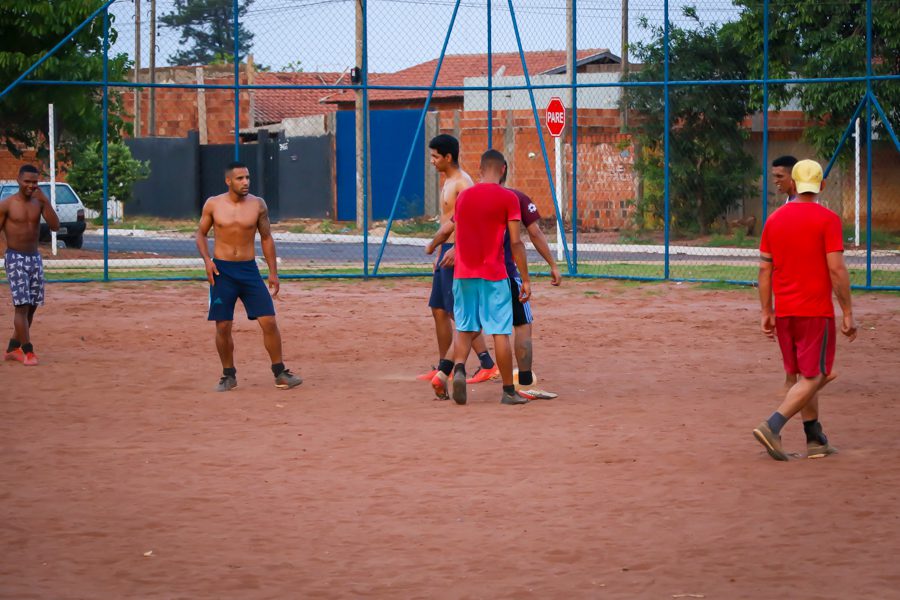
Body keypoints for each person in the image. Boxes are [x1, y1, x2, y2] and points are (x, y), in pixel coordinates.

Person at [754, 159, 856, 461]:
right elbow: (836, 270)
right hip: (815, 313)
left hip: (785, 312)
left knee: (802, 375)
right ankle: (772, 425)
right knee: (816, 376)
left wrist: (766, 311)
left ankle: (815, 438)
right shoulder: (828, 219)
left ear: (795, 185)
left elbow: (764, 269)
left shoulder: (774, 219)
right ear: (821, 186)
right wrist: (848, 312)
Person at [428, 149, 531, 406]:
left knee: (464, 328)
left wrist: (433, 246)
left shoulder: (464, 198)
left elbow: (456, 234)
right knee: (499, 332)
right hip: (494, 273)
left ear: (480, 169)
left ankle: (459, 368)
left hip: (463, 273)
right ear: (503, 170)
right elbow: (516, 243)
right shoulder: (508, 199)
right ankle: (508, 391)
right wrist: (526, 279)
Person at [195, 161, 302, 392]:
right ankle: (228, 375)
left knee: (269, 321)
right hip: (222, 272)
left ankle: (280, 373)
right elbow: (201, 234)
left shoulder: (258, 205)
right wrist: (207, 261)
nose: (245, 182)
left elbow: (266, 238)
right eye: (240, 178)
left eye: (247, 178)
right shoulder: (213, 204)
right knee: (223, 326)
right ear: (228, 181)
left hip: (249, 271)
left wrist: (273, 272)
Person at [421, 134, 497, 399]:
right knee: (439, 310)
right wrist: (439, 249)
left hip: (458, 253)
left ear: (448, 157)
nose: (432, 161)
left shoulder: (463, 183)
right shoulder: (449, 181)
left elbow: (472, 219)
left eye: (435, 156)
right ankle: (446, 365)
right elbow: (448, 220)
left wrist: (456, 248)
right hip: (447, 251)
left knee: (458, 314)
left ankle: (486, 364)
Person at [498, 170, 562, 400]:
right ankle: (524, 380)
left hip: (473, 276)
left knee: (469, 328)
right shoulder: (517, 198)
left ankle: (450, 370)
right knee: (522, 324)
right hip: (505, 273)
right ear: (504, 171)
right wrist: (552, 264)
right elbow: (533, 233)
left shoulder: (470, 197)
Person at [1, 164, 60, 366]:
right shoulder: (7, 204)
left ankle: (12, 348)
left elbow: (55, 226)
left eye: (35, 182)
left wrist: (46, 201)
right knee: (22, 307)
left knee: (32, 307)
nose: (31, 185)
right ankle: (28, 351)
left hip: (34, 258)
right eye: (27, 181)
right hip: (15, 258)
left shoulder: (39, 202)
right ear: (18, 180)